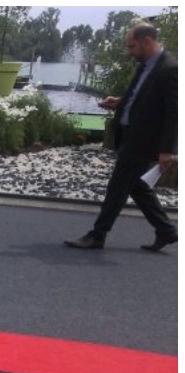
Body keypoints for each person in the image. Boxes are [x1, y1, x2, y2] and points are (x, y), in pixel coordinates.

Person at [65, 22, 177, 252]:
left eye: (132, 46)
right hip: (131, 134)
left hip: (144, 140)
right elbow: (141, 96)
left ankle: (98, 235)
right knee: (136, 185)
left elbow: (174, 113)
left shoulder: (169, 69)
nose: (129, 52)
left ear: (147, 41)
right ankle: (166, 230)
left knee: (118, 186)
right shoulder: (145, 65)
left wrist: (167, 150)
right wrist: (120, 102)